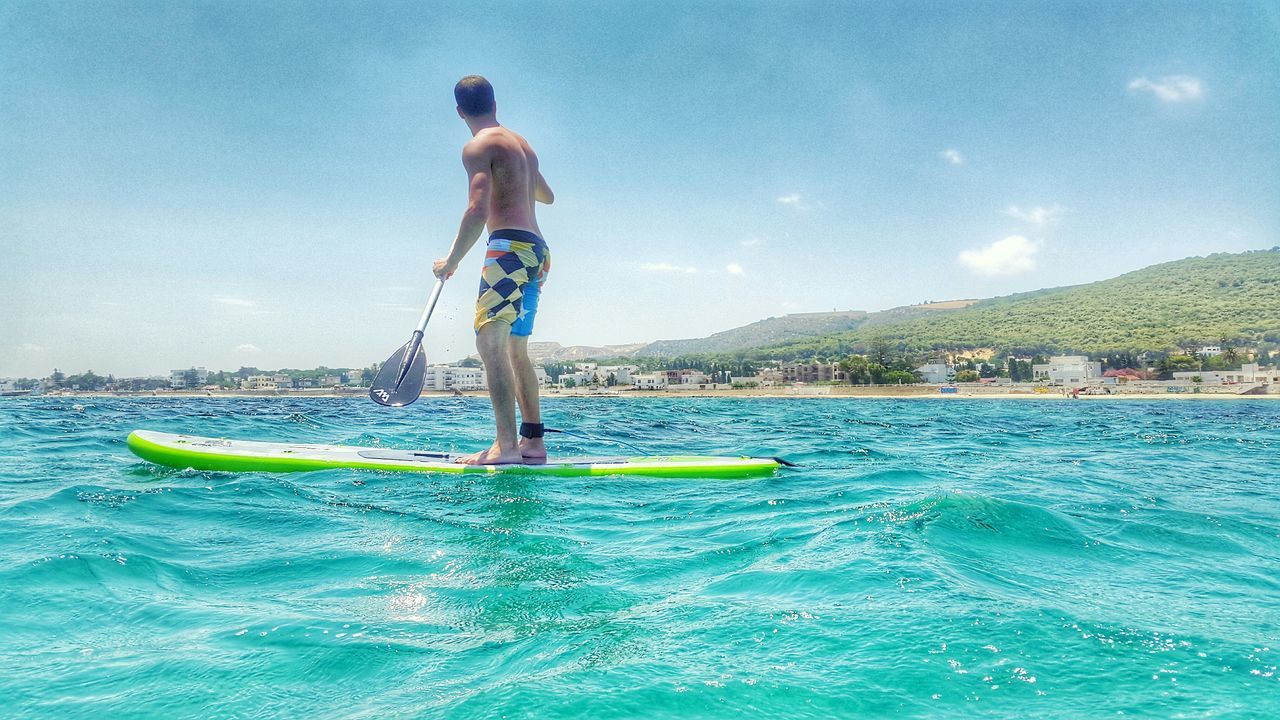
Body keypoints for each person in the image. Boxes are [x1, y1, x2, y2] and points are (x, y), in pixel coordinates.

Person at [433, 76, 554, 465]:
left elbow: (477, 209)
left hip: (508, 247)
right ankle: (533, 444)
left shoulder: (477, 146)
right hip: (538, 251)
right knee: (516, 348)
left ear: (459, 112)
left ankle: (505, 445)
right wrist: (517, 176)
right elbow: (546, 196)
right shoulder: (522, 145)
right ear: (495, 103)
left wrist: (451, 261)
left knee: (489, 344)